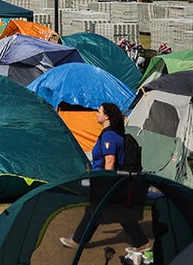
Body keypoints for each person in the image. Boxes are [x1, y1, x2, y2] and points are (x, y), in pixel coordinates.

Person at [60, 103, 149, 252]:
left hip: (106, 180)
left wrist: (107, 184)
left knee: (102, 210)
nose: (96, 113)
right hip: (109, 180)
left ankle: (78, 240)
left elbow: (110, 161)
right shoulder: (113, 133)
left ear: (106, 116)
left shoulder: (109, 135)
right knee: (101, 210)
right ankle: (78, 239)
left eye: (99, 111)